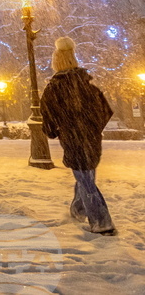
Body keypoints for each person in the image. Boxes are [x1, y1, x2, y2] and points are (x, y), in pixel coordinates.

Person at [41, 37, 116, 235]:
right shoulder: (88, 87)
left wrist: (56, 131)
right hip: (91, 139)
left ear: (56, 62)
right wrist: (92, 128)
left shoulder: (54, 90)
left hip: (73, 140)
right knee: (86, 175)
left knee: (85, 180)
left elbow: (47, 118)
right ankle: (78, 208)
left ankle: (102, 222)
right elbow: (105, 111)